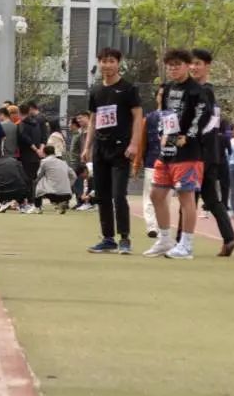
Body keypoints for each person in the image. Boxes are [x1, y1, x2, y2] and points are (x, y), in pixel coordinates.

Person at [145, 49, 207, 260]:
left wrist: (187, 136)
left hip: (189, 152)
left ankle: (186, 245)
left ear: (187, 66)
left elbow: (202, 117)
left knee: (185, 196)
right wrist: (162, 134)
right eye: (170, 65)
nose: (173, 69)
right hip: (167, 149)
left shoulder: (197, 90)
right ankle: (165, 239)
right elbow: (163, 114)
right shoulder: (167, 88)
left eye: (177, 65)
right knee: (156, 194)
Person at [83, 47, 144, 253]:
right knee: (102, 195)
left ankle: (125, 238)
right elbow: (93, 120)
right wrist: (87, 146)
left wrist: (134, 144)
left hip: (121, 149)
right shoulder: (96, 90)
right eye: (103, 61)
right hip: (100, 148)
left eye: (111, 61)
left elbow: (138, 117)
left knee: (118, 195)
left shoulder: (128, 89)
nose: (107, 65)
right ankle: (108, 238)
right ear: (98, 63)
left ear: (118, 63)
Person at [183, 49, 234, 257]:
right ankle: (229, 238)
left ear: (207, 66)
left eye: (198, 63)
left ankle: (181, 241)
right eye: (191, 63)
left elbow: (204, 124)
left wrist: (190, 139)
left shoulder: (202, 91)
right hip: (210, 153)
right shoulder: (206, 91)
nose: (193, 67)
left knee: (188, 197)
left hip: (200, 153)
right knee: (211, 199)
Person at [140, 101, 164, 239]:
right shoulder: (149, 118)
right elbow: (143, 141)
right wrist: (137, 162)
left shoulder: (176, 116)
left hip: (168, 163)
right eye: (160, 94)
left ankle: (162, 227)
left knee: (164, 198)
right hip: (151, 162)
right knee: (149, 196)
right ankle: (151, 226)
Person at [16, 102, 46, 209]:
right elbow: (43, 137)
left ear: (19, 112)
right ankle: (38, 203)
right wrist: (40, 150)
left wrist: (36, 150)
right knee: (36, 179)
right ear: (29, 111)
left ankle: (30, 202)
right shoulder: (36, 123)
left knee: (27, 180)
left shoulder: (22, 124)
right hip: (37, 156)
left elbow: (26, 139)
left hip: (26, 155)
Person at [0, 143, 28, 212]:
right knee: (22, 184)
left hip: (2, 193)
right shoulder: (14, 160)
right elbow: (25, 177)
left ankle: (4, 202)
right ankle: (21, 204)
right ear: (1, 151)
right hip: (21, 191)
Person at [34, 144, 76, 214]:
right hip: (67, 195)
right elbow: (74, 176)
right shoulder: (63, 162)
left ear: (44, 153)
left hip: (52, 194)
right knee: (52, 183)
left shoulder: (44, 161)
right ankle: (59, 204)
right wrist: (69, 185)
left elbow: (39, 175)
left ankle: (38, 207)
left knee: (38, 181)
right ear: (54, 152)